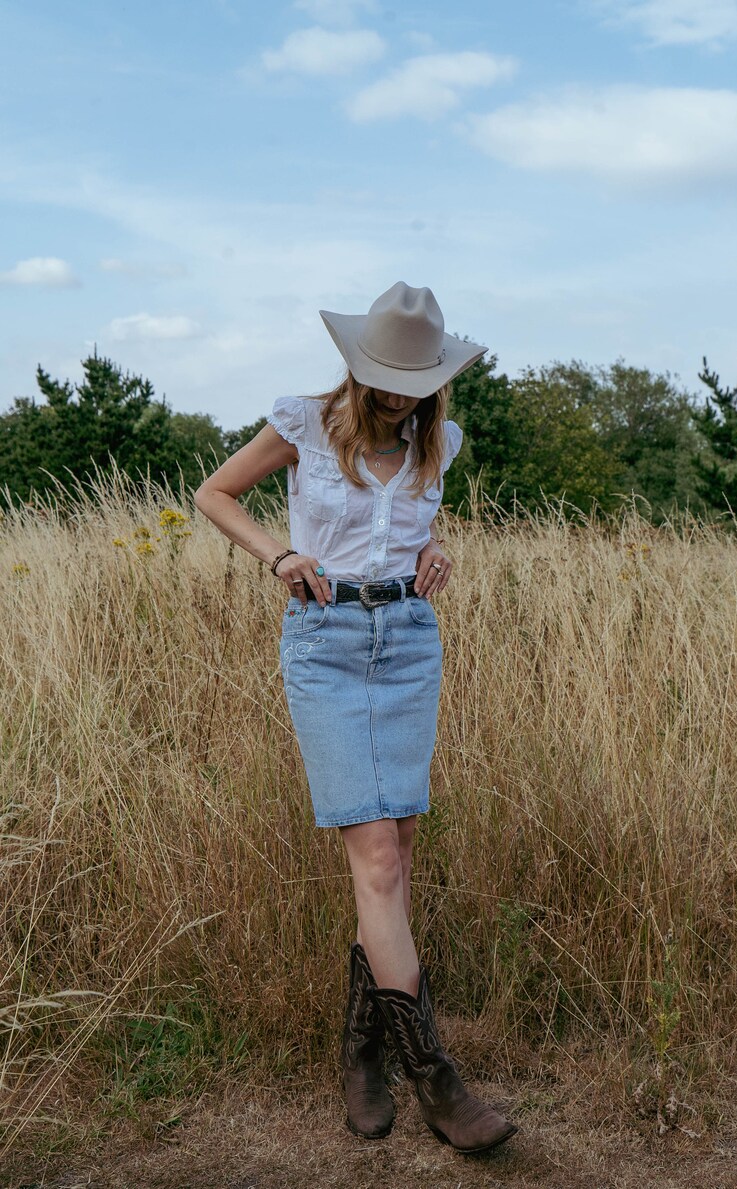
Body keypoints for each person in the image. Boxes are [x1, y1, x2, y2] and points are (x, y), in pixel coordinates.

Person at [193, 281, 517, 1154]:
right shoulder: (303, 423)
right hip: (326, 643)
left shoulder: (437, 441)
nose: (398, 393)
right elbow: (214, 493)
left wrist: (436, 552)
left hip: (409, 643)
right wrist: (279, 553)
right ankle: (437, 1080)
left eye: (414, 379)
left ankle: (362, 1054)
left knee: (397, 853)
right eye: (384, 375)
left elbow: (416, 533)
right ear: (357, 365)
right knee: (375, 854)